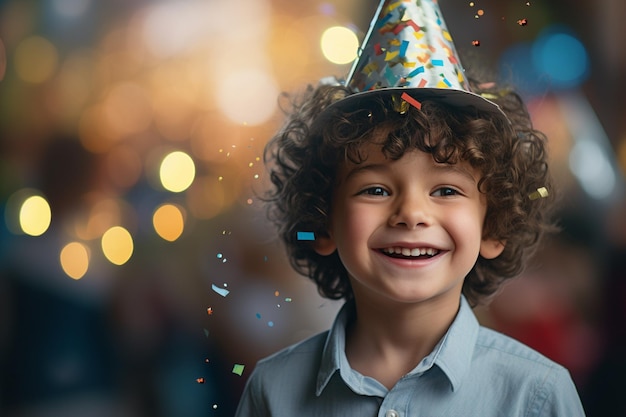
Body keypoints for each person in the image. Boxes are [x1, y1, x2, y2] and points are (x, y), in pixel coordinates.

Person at [235, 0, 586, 415]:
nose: (411, 213)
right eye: (376, 190)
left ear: (492, 227)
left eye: (446, 191)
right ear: (323, 223)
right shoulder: (272, 390)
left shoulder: (536, 395)